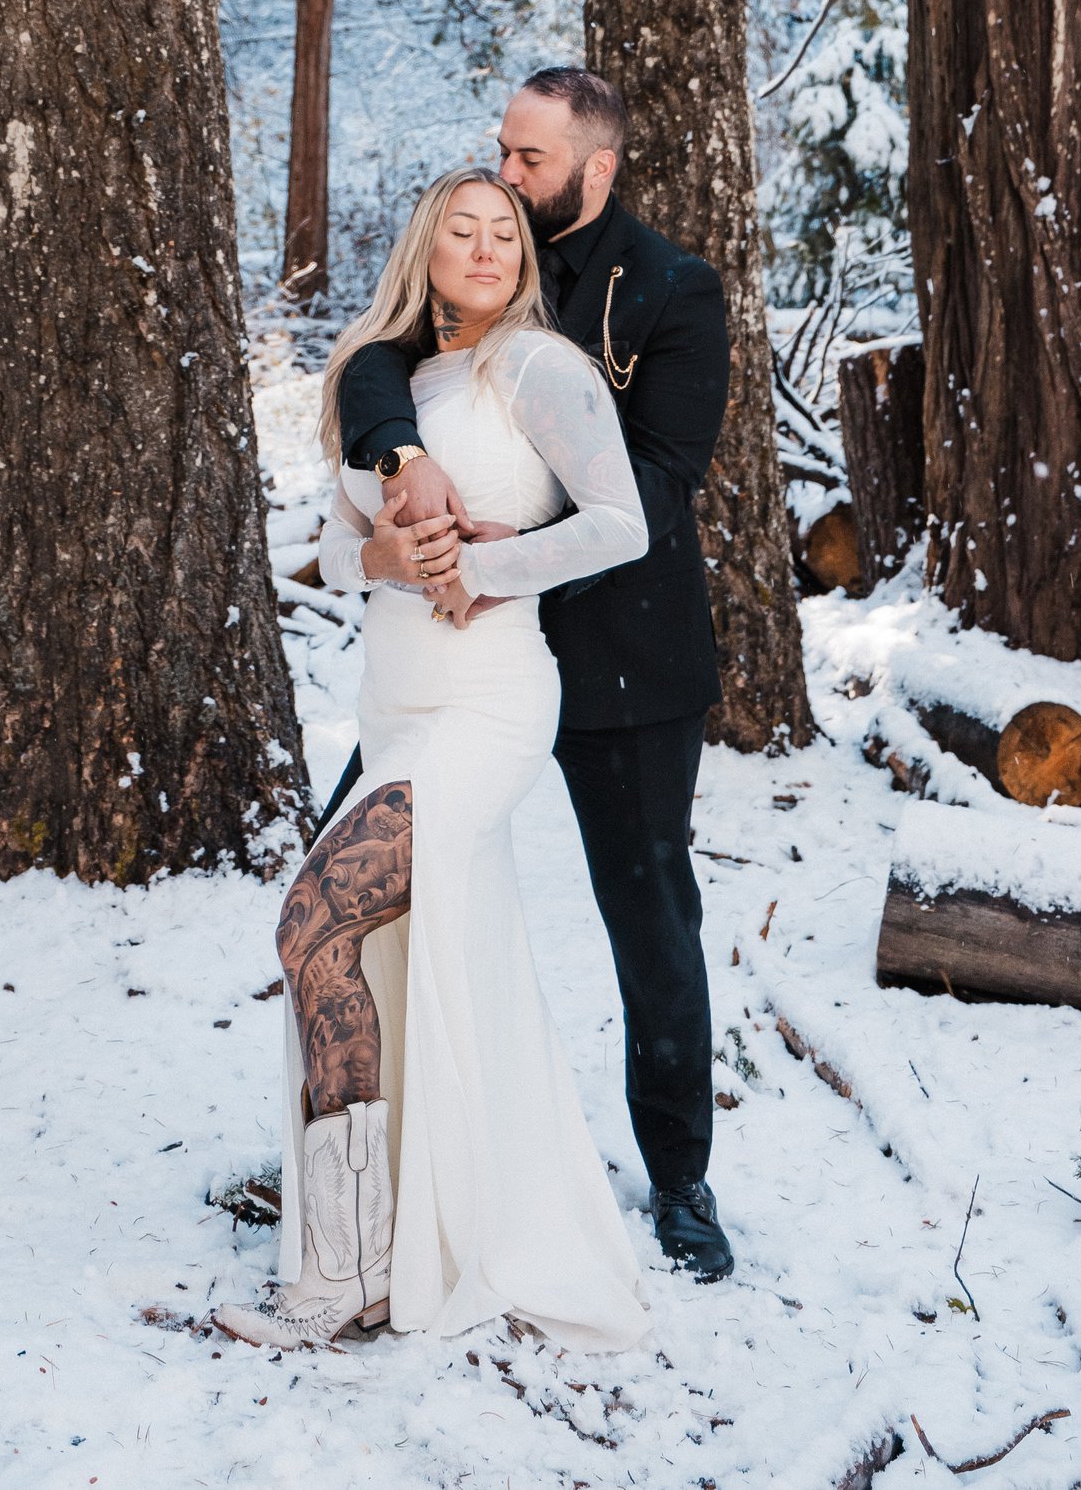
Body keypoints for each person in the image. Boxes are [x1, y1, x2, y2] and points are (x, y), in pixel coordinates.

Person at [224, 168, 651, 1350]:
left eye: (502, 231)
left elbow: (622, 523)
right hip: (397, 703)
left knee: (311, 919)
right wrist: (396, 563)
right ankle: (367, 1254)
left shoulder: (540, 368)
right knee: (359, 951)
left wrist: (483, 567)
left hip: (488, 697)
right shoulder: (396, 384)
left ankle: (342, 1273)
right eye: (459, 229)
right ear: (425, 245)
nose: (483, 246)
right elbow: (333, 540)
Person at [337, 69, 738, 1285]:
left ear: (594, 169)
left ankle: (678, 1177)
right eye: (497, 157)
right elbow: (372, 365)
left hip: (621, 656)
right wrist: (401, 453)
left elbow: (658, 491)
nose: (500, 180)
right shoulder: (477, 262)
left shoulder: (674, 290)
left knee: (648, 917)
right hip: (450, 661)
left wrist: (498, 556)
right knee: (348, 885)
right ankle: (357, 1160)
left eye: (526, 162)